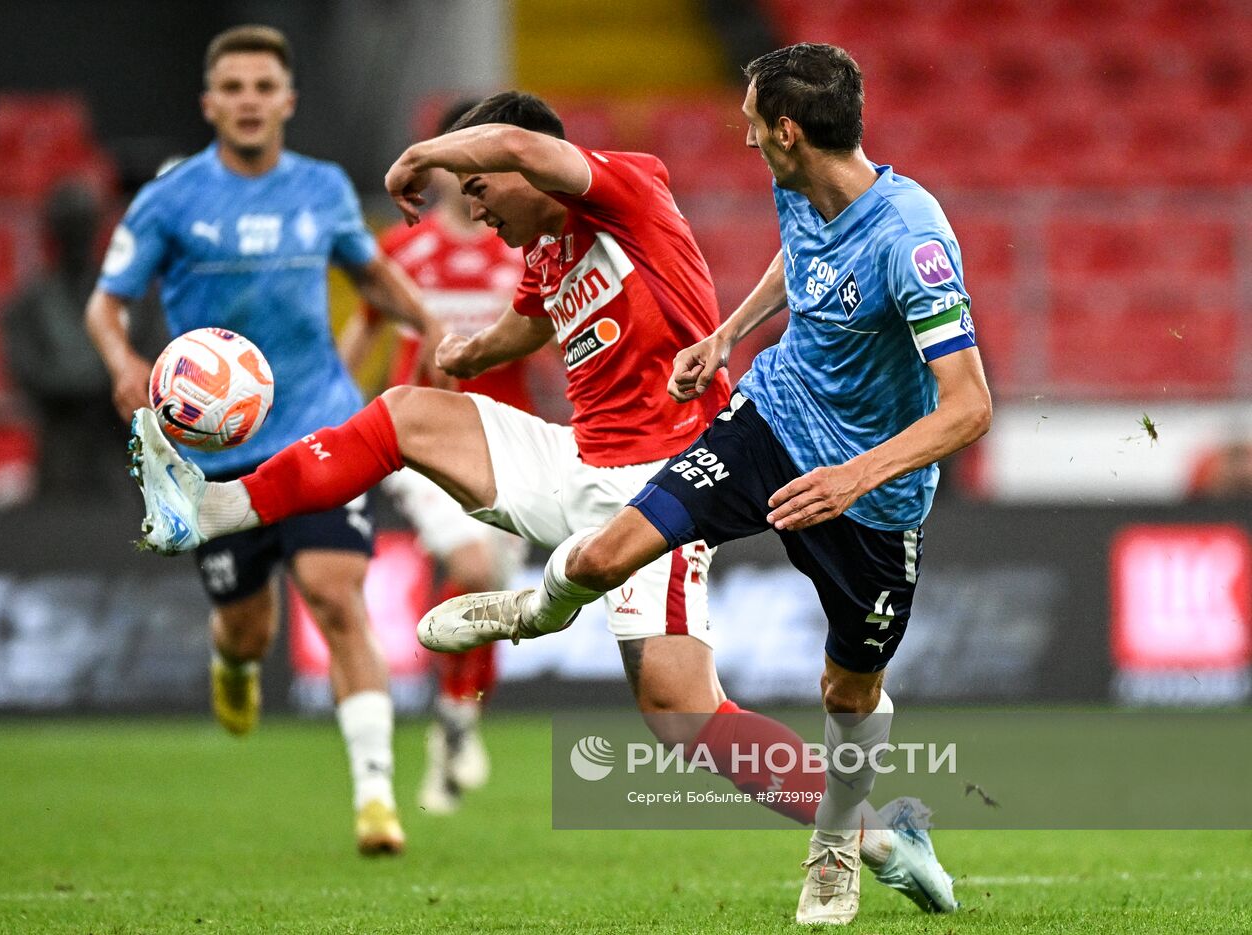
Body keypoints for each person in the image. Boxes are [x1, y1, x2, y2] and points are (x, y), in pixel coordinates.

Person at [127, 86, 957, 918]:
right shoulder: (547, 254)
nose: (475, 207)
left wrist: (423, 156)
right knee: (405, 415)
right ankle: (211, 507)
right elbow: (529, 323)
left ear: (515, 163)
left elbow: (527, 151)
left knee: (678, 712)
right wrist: (470, 348)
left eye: (480, 186)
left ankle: (876, 836)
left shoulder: (627, 191)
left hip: (662, 481)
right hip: (571, 461)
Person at [421, 45, 990, 924]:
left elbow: (969, 408)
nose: (745, 135)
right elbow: (798, 264)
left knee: (849, 691)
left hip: (870, 496)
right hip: (772, 418)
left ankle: (842, 836)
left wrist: (853, 477)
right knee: (613, 549)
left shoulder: (912, 239)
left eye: (754, 121)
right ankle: (534, 612)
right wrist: (728, 333)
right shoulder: (798, 181)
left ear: (789, 131)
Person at [85, 24, 444, 856]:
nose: (249, 101)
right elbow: (105, 304)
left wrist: (428, 323)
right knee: (248, 627)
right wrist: (122, 358)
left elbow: (372, 278)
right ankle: (236, 664)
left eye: (262, 87)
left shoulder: (320, 188)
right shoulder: (170, 201)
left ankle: (376, 796)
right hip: (216, 459)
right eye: (233, 89)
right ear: (211, 103)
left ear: (287, 100)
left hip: (320, 429)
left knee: (336, 598)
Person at [341, 99, 532, 814]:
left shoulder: (519, 247)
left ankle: (457, 718)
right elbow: (365, 334)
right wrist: (332, 418)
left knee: (502, 604)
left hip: (508, 438)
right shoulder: (399, 250)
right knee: (473, 567)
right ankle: (454, 715)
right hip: (423, 436)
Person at [2, 181, 132, 502]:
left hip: (115, 451)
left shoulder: (127, 299)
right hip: (61, 455)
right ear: (54, 232)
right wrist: (97, 379)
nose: (77, 235)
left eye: (83, 224)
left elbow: (143, 363)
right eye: (69, 225)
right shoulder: (28, 306)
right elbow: (29, 372)